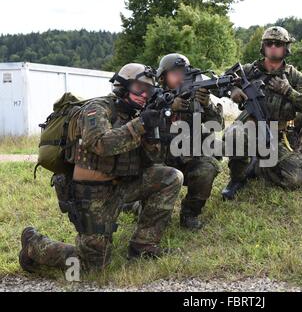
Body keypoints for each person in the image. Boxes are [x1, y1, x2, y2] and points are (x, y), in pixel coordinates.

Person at [19, 63, 184, 274]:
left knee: (171, 177)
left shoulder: (137, 115)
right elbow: (101, 144)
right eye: (139, 88)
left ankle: (143, 245)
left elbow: (153, 160)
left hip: (123, 185)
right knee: (92, 268)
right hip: (93, 194)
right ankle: (35, 246)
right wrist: (141, 124)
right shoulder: (97, 109)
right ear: (122, 86)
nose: (144, 94)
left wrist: (154, 131)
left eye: (149, 90)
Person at [222, 26, 302, 200]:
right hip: (248, 129)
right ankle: (237, 179)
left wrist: (289, 91)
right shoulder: (249, 70)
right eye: (269, 43)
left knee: (294, 179)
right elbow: (220, 81)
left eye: (278, 43)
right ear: (263, 47)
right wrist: (233, 89)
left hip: (276, 135)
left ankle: (258, 166)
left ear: (286, 47)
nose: (273, 46)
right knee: (235, 135)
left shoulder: (294, 77)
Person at [155, 53, 224, 230]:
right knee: (153, 213)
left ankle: (189, 214)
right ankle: (137, 204)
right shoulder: (153, 97)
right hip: (157, 162)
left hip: (185, 159)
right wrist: (168, 108)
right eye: (175, 73)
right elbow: (142, 122)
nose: (181, 78)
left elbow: (216, 125)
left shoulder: (195, 98)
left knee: (207, 167)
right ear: (163, 77)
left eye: (184, 73)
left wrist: (207, 104)